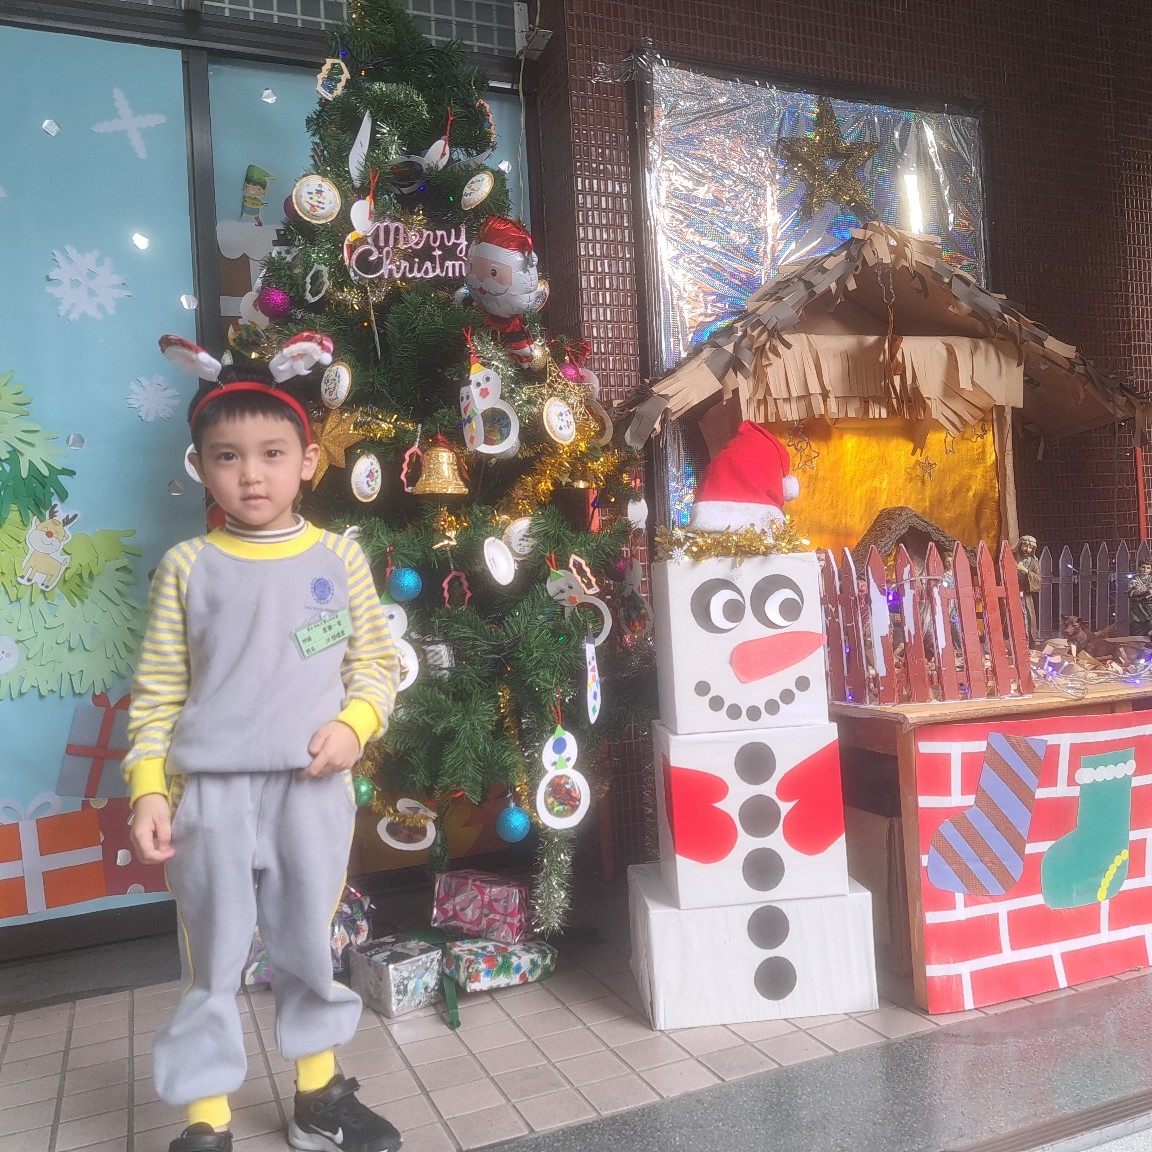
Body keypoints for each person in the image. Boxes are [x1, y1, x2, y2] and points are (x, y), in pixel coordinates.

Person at [125, 342, 402, 1152]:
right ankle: (206, 1118)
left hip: (310, 791)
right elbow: (157, 692)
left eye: (272, 454)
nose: (251, 474)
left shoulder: (339, 557)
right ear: (201, 467)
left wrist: (355, 724)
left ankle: (318, 1097)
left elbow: (376, 664)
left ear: (307, 460)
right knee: (210, 956)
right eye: (228, 457)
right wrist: (148, 788)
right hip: (208, 796)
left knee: (307, 945)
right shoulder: (186, 567)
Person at [1014, 534, 1042, 645]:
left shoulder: (1033, 562)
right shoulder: (1012, 558)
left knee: (1027, 617)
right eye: (1025, 546)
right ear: (1020, 545)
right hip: (1012, 593)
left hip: (1025, 594)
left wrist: (1025, 570)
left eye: (1030, 547)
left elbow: (1038, 579)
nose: (1027, 549)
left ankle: (1027, 641)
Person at [1127, 559, 1152, 639]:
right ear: (1139, 568)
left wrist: (1143, 591)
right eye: (1143, 567)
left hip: (1149, 608)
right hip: (1137, 609)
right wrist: (1145, 589)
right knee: (1136, 628)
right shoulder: (1134, 579)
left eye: (1148, 568)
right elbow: (1132, 593)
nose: (1145, 570)